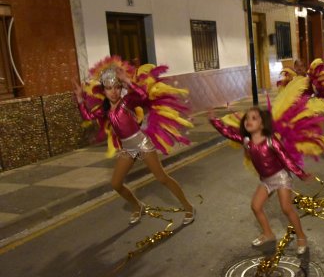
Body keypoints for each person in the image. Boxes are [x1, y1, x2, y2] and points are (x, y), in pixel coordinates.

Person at [73, 59, 195, 225]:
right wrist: (80, 100)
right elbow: (88, 116)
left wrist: (128, 81)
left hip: (142, 143)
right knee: (116, 183)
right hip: (127, 148)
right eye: (109, 88)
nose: (113, 92)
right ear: (104, 90)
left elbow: (143, 96)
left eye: (117, 87)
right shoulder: (105, 109)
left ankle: (188, 207)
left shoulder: (127, 102)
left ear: (121, 88)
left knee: (161, 178)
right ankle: (138, 206)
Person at [208, 107, 311, 254]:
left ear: (262, 124)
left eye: (254, 118)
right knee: (256, 206)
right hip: (265, 180)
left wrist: (301, 174)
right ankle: (268, 233)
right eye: (247, 118)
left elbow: (286, 159)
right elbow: (227, 132)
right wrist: (214, 120)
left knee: (286, 208)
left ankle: (302, 237)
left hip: (281, 177)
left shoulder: (271, 141)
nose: (249, 121)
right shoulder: (247, 141)